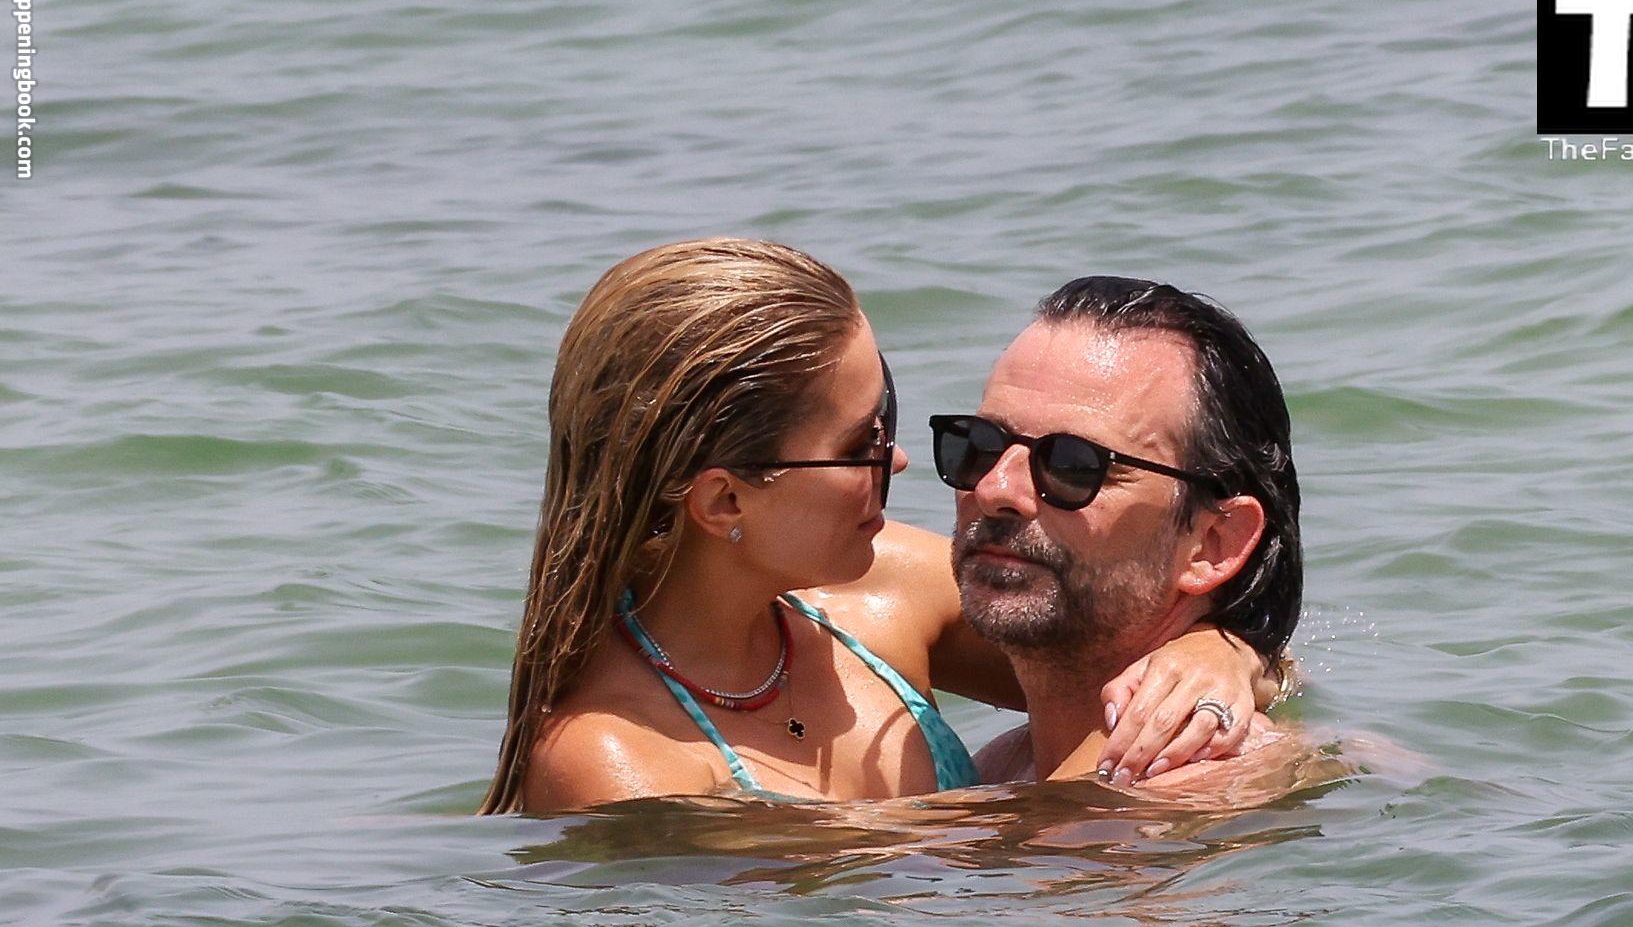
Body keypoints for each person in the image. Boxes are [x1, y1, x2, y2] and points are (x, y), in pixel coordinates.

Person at [479, 240, 1276, 813]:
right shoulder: (615, 762)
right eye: (860, 443)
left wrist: (1220, 654)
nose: (896, 459)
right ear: (724, 503)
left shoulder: (886, 590)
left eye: (889, 416)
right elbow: (857, 898)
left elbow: (1121, 636)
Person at [936, 275, 1304, 788]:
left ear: (1213, 543)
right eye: (980, 444)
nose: (995, 488)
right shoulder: (1006, 768)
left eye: (1073, 465)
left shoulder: (1198, 787)